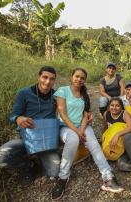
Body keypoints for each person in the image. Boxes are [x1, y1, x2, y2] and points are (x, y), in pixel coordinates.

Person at [52, 68, 123, 200]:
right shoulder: (63, 90)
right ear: (71, 76)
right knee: (72, 139)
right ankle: (63, 177)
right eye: (77, 76)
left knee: (94, 145)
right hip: (66, 126)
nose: (79, 79)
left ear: (85, 80)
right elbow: (62, 114)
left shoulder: (84, 94)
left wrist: (82, 130)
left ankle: (107, 177)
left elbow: (85, 115)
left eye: (82, 78)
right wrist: (77, 132)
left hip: (82, 125)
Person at [0, 66, 61, 187]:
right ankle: (29, 165)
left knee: (54, 175)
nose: (47, 81)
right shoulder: (24, 93)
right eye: (45, 77)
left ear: (54, 80)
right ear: (38, 77)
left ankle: (43, 157)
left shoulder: (57, 96)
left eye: (52, 79)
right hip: (28, 137)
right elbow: (13, 115)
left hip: (48, 140)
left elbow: (68, 112)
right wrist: (18, 118)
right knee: (0, 157)